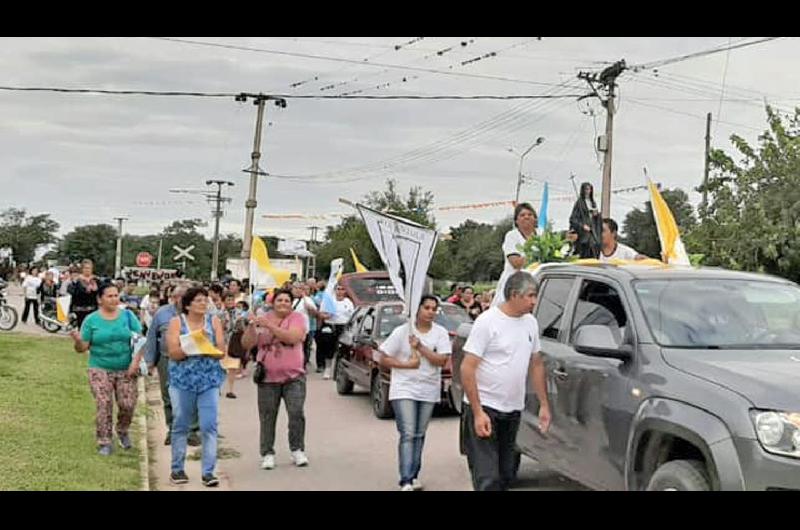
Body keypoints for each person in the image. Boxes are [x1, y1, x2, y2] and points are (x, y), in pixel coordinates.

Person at [460, 271, 551, 491]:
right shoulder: (487, 322)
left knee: (506, 474)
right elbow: (467, 368)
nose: (534, 301)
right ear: (513, 295)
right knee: (487, 477)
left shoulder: (530, 323)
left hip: (512, 408)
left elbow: (536, 363)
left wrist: (544, 405)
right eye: (529, 296)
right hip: (485, 407)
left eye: (535, 295)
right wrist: (478, 411)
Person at [376, 295, 452, 491]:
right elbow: (382, 358)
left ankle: (414, 474)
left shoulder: (440, 333)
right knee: (408, 433)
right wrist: (405, 364)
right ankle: (406, 479)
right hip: (404, 387)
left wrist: (421, 347)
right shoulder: (402, 332)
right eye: (427, 308)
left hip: (428, 388)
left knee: (419, 433)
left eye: (434, 309)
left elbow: (441, 360)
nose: (431, 312)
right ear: (417, 310)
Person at [68, 282, 144, 455]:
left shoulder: (127, 316)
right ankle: (104, 441)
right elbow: (82, 348)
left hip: (126, 367)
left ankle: (123, 430)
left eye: (116, 295)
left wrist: (135, 362)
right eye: (109, 296)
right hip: (99, 367)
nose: (114, 299)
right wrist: (78, 340)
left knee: (128, 404)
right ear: (100, 299)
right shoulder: (91, 320)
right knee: (104, 402)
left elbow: (140, 340)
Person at [164, 287, 227, 487]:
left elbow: (220, 351)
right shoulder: (176, 322)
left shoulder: (213, 321)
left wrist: (208, 346)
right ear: (188, 304)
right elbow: (173, 352)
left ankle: (208, 471)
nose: (203, 304)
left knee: (209, 425)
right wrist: (194, 344)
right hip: (182, 380)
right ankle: (177, 469)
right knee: (181, 423)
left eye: (205, 300)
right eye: (198, 300)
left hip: (208, 379)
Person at [241, 288, 309, 470]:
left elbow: (293, 337)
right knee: (267, 417)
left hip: (294, 376)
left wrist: (269, 326)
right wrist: (250, 326)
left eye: (287, 300)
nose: (283, 303)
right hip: (267, 378)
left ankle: (297, 449)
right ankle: (267, 453)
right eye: (280, 300)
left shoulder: (297, 318)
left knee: (296, 413)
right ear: (273, 302)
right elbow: (247, 344)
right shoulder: (262, 317)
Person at [144, 283, 200, 447]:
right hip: (167, 360)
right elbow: (152, 338)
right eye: (178, 297)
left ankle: (192, 431)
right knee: (168, 396)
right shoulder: (162, 313)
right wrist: (150, 362)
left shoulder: (200, 314)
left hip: (192, 361)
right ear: (173, 298)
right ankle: (173, 429)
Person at [492, 203, 537, 308]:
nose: (526, 217)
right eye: (522, 215)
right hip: (513, 285)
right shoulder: (512, 236)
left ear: (535, 218)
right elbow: (516, 263)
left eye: (530, 214)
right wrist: (539, 257)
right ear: (516, 221)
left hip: (536, 284)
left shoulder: (542, 235)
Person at [322, 284, 354, 379]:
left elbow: (351, 316)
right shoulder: (330, 301)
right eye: (338, 289)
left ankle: (339, 371)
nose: (340, 291)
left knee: (342, 350)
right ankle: (327, 369)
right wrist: (326, 316)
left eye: (342, 289)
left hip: (343, 327)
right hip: (331, 326)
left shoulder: (348, 302)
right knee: (329, 349)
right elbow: (322, 313)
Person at [569, 182, 603, 259]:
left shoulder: (593, 202)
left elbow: (597, 218)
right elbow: (573, 219)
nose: (588, 191)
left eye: (590, 189)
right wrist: (582, 226)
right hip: (583, 235)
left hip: (593, 232)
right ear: (583, 190)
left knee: (595, 247)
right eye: (586, 189)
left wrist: (596, 215)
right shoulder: (579, 203)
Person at [291, 282, 318, 368]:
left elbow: (315, 313)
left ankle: (302, 366)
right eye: (296, 288)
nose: (298, 290)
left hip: (303, 330)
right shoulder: (288, 299)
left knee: (303, 349)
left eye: (300, 288)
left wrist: (309, 307)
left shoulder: (307, 300)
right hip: (290, 329)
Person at [69, 259, 99, 328]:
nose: (87, 270)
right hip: (80, 310)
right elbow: (73, 294)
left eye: (89, 268)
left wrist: (95, 289)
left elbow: (100, 292)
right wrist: (86, 290)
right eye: (86, 268)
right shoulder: (77, 281)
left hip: (93, 309)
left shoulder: (96, 280)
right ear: (82, 269)